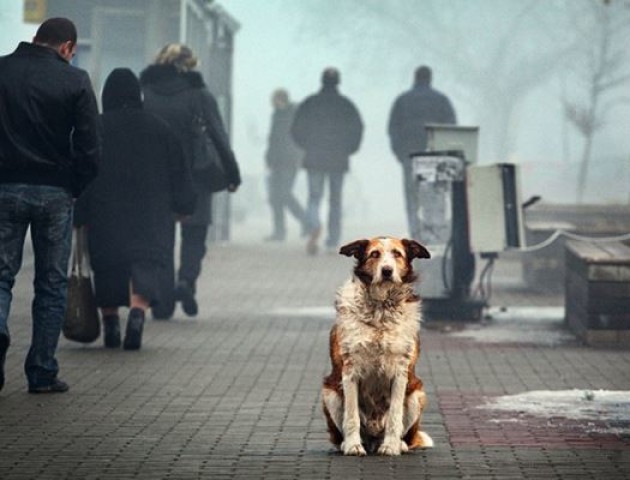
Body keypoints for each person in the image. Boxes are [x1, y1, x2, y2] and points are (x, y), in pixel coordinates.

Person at [0, 18, 100, 393]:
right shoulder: (75, 81)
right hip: (55, 191)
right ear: (67, 48)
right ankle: (41, 371)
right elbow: (91, 146)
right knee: (52, 284)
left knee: (1, 275)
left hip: (4, 187)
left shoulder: (2, 70)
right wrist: (74, 184)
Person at [75, 69, 196, 350]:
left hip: (105, 213)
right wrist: (184, 206)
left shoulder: (96, 128)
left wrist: (79, 213)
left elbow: (81, 173)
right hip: (150, 214)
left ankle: (111, 324)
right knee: (145, 264)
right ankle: (138, 314)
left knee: (107, 266)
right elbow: (180, 172)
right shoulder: (159, 128)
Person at [140, 43, 241, 318]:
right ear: (190, 64)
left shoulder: (146, 93)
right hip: (197, 176)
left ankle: (162, 302)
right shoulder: (199, 94)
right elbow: (219, 136)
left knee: (162, 238)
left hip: (157, 178)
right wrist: (232, 174)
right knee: (195, 235)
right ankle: (186, 281)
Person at [291, 68, 364, 255]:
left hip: (314, 156)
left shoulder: (310, 103)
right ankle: (333, 238)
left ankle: (314, 225)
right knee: (335, 200)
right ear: (338, 82)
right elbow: (358, 128)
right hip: (338, 158)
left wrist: (306, 145)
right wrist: (349, 149)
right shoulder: (346, 105)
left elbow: (296, 128)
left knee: (314, 197)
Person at [387, 65, 457, 240]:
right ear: (430, 78)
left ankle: (416, 233)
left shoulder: (402, 100)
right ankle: (434, 233)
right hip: (436, 156)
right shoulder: (441, 100)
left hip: (409, 154)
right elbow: (451, 127)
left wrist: (398, 152)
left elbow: (392, 128)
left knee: (412, 197)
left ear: (415, 78)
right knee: (435, 196)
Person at [264, 89, 306, 242]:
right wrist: (269, 158)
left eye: (275, 100)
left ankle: (306, 221)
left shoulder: (293, 115)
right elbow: (273, 139)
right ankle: (279, 231)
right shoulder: (277, 115)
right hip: (277, 162)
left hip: (289, 161)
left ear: (281, 100)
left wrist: (297, 156)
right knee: (276, 197)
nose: (273, 103)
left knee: (284, 194)